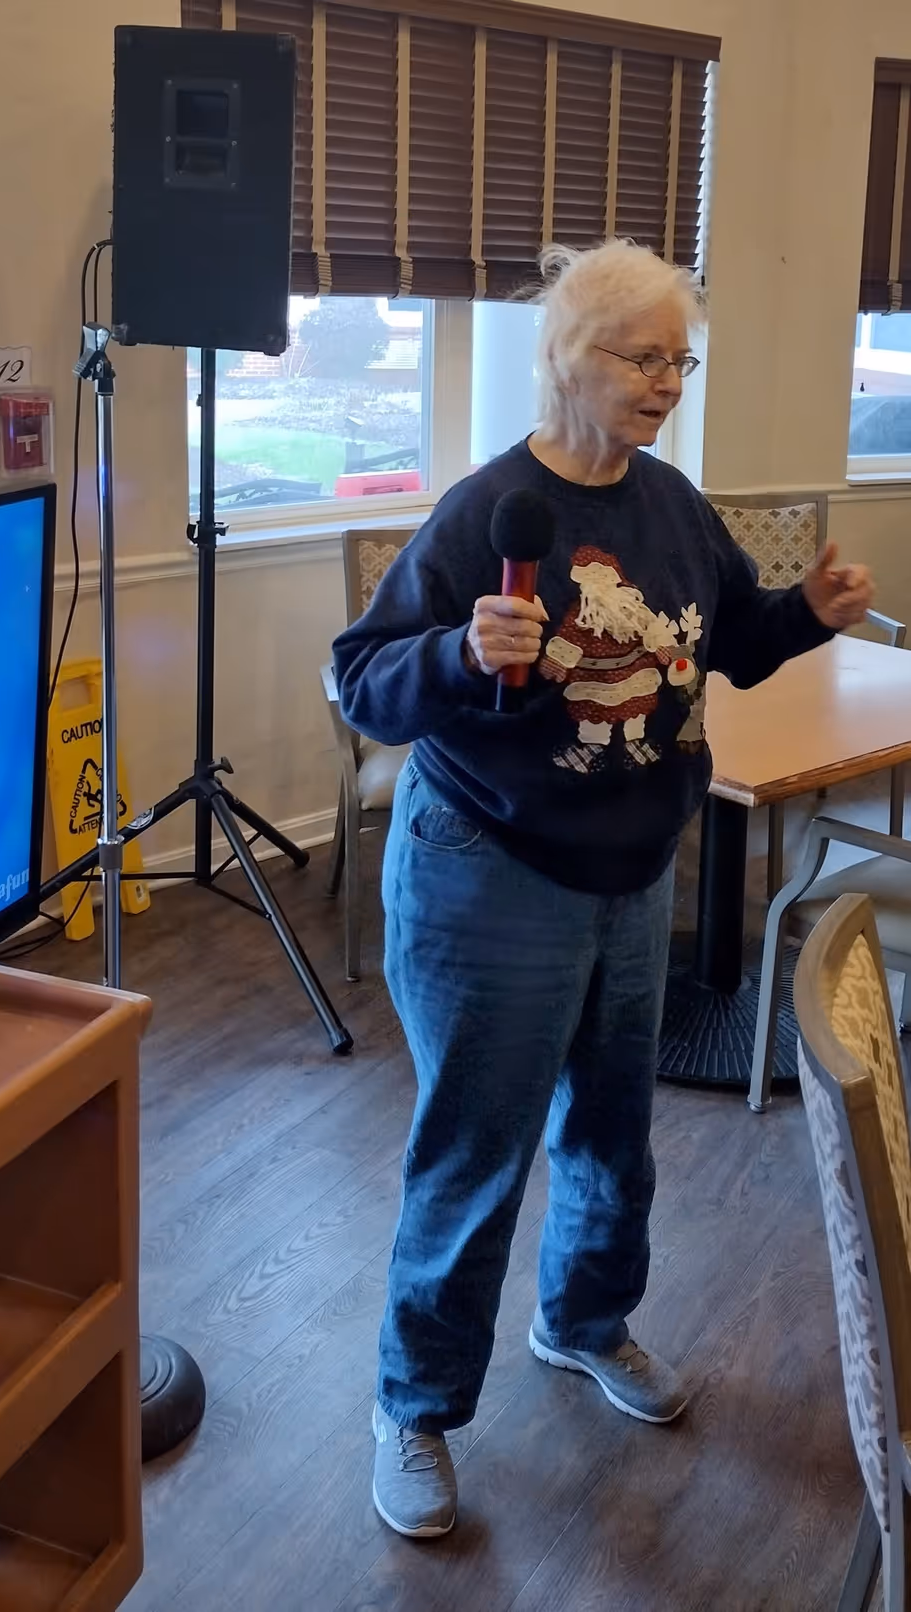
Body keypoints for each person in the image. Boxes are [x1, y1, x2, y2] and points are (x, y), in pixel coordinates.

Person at [332, 239, 876, 1541]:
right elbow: (361, 679)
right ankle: (414, 1406)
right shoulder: (486, 511)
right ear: (571, 359)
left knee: (613, 1139)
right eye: (646, 359)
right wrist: (462, 654)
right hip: (489, 873)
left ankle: (584, 1324)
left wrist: (806, 608)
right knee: (476, 1154)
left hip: (633, 876)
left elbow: (730, 641)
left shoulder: (673, 505)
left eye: (682, 360)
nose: (669, 383)